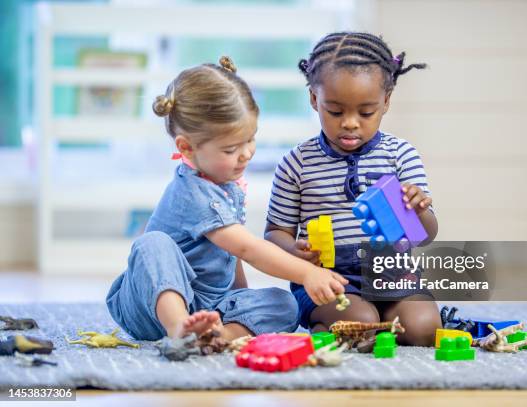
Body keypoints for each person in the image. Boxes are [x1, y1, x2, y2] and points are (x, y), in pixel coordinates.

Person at [106, 56, 348, 342]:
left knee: (286, 304)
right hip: (150, 305)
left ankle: (218, 334)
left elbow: (231, 255)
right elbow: (247, 248)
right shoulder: (192, 193)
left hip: (208, 306)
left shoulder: (226, 185)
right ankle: (179, 329)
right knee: (152, 243)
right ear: (187, 147)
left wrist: (240, 300)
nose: (246, 153)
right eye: (232, 148)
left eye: (251, 139)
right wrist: (307, 272)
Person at [265, 33, 442, 346]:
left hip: (394, 272)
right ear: (314, 99)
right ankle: (336, 322)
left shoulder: (400, 154)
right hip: (331, 279)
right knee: (361, 321)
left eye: (365, 112)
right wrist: (296, 253)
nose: (349, 123)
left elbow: (424, 235)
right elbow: (275, 233)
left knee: (423, 327)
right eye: (335, 112)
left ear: (386, 102)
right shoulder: (297, 163)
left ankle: (380, 321)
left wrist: (418, 211)